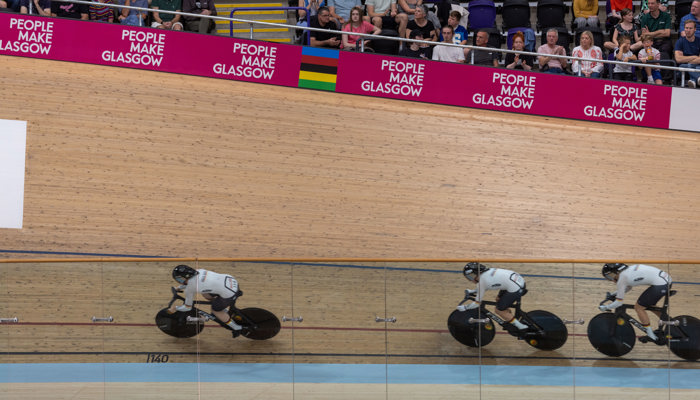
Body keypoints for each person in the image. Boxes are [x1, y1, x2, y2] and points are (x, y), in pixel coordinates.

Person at [598, 263, 671, 342]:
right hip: (666, 280)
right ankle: (670, 323)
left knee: (639, 307)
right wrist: (613, 294)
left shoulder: (623, 278)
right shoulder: (626, 271)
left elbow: (618, 303)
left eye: (610, 276)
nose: (611, 279)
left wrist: (605, 307)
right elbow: (628, 287)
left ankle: (651, 336)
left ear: (617, 272)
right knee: (650, 305)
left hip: (661, 284)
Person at [169, 265, 243, 337]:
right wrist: (179, 287)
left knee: (215, 310)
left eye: (179, 279)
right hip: (231, 281)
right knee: (205, 293)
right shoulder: (199, 271)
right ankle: (222, 309)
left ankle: (236, 327)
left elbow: (188, 307)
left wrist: (175, 308)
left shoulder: (190, 288)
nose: (179, 281)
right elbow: (193, 283)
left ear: (185, 277)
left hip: (229, 293)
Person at [456, 262, 529, 332]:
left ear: (476, 273)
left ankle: (521, 327)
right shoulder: (488, 271)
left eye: (470, 276)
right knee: (498, 299)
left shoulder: (482, 281)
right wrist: (472, 291)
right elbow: (486, 286)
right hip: (518, 281)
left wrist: (465, 307)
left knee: (498, 310)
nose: (470, 279)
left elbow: (477, 304)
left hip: (514, 288)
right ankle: (509, 316)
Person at [674, 19, 700, 87]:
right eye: (686, 28)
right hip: (683, 69)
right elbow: (678, 59)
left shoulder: (699, 41)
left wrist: (687, 60)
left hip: (695, 66)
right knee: (684, 66)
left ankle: (693, 81)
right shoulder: (680, 42)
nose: (688, 30)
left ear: (695, 29)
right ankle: (698, 78)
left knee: (695, 67)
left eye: (690, 28)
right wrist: (694, 57)